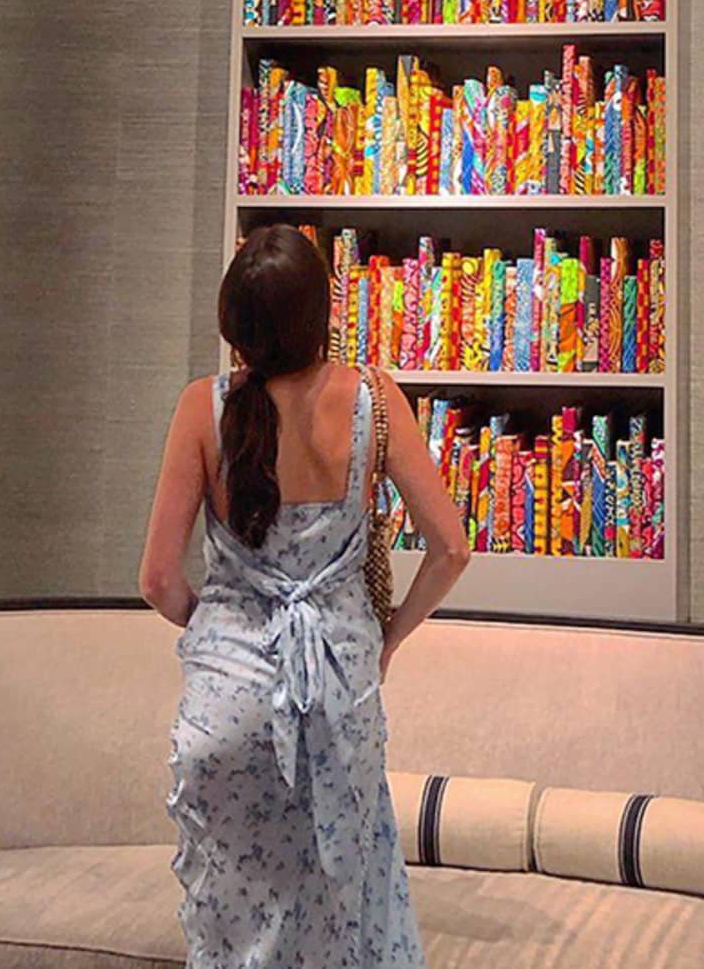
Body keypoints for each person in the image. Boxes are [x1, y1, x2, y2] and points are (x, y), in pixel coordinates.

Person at [139, 223, 469, 967]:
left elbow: (157, 578)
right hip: (337, 696)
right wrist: (387, 640)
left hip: (222, 713)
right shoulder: (375, 401)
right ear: (324, 313)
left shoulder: (202, 407)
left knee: (238, 935)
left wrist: (222, 633)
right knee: (340, 920)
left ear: (235, 324)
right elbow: (450, 547)